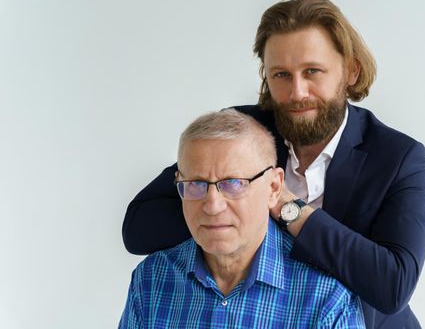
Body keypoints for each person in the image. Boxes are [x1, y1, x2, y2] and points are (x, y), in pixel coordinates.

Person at [122, 0, 425, 329]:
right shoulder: (245, 132)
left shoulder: (397, 156)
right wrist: (231, 199)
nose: (297, 92)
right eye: (281, 75)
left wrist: (283, 205)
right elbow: (139, 229)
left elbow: (393, 285)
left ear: (351, 70)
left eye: (312, 71)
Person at [119, 110, 365, 328]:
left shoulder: (326, 297)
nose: (213, 206)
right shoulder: (152, 279)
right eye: (195, 184)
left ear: (273, 187)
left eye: (234, 184)